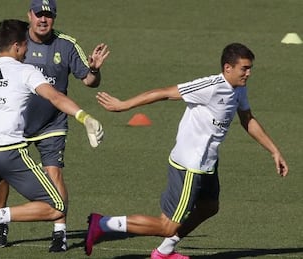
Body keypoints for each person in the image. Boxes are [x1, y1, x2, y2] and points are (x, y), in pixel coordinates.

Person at [85, 43, 289, 259]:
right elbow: (164, 93)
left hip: (208, 163)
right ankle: (103, 223)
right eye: (244, 68)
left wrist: (274, 151)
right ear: (228, 68)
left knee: (209, 207)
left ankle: (163, 252)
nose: (249, 73)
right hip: (190, 165)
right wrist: (123, 105)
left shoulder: (239, 89)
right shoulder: (209, 86)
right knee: (167, 226)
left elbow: (247, 118)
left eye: (250, 69)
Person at [0, 0, 109, 251]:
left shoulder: (66, 44)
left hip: (50, 123)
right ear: (30, 16)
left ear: (54, 18)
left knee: (53, 174)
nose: (43, 20)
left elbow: (89, 81)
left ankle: (59, 233)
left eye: (49, 15)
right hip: (15, 127)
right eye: (39, 15)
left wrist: (94, 70)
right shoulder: (16, 43)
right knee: (2, 178)